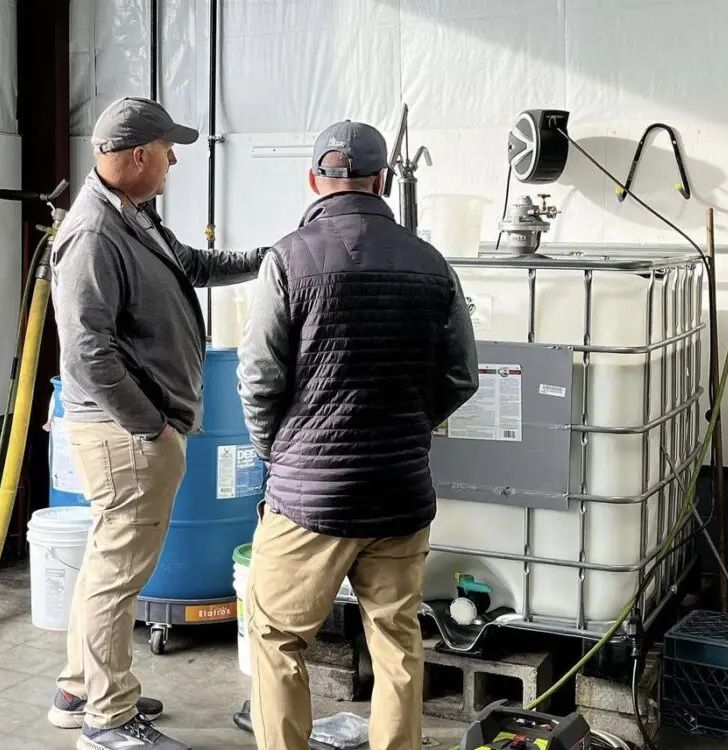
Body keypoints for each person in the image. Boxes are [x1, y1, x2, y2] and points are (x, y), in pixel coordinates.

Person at [236, 120, 480, 750]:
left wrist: (278, 453)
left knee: (277, 637)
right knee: (398, 637)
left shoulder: (288, 258)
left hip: (310, 497)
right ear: (381, 180)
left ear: (315, 179)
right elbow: (461, 376)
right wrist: (406, 428)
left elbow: (260, 378)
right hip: (400, 491)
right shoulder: (432, 263)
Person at [47, 96, 270, 750]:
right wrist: (152, 427)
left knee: (105, 565)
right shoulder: (93, 234)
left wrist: (270, 258)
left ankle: (78, 686)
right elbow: (87, 351)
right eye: (169, 149)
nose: (175, 160)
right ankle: (108, 721)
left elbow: (194, 268)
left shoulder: (135, 217)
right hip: (127, 435)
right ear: (138, 155)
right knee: (119, 577)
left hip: (137, 433)